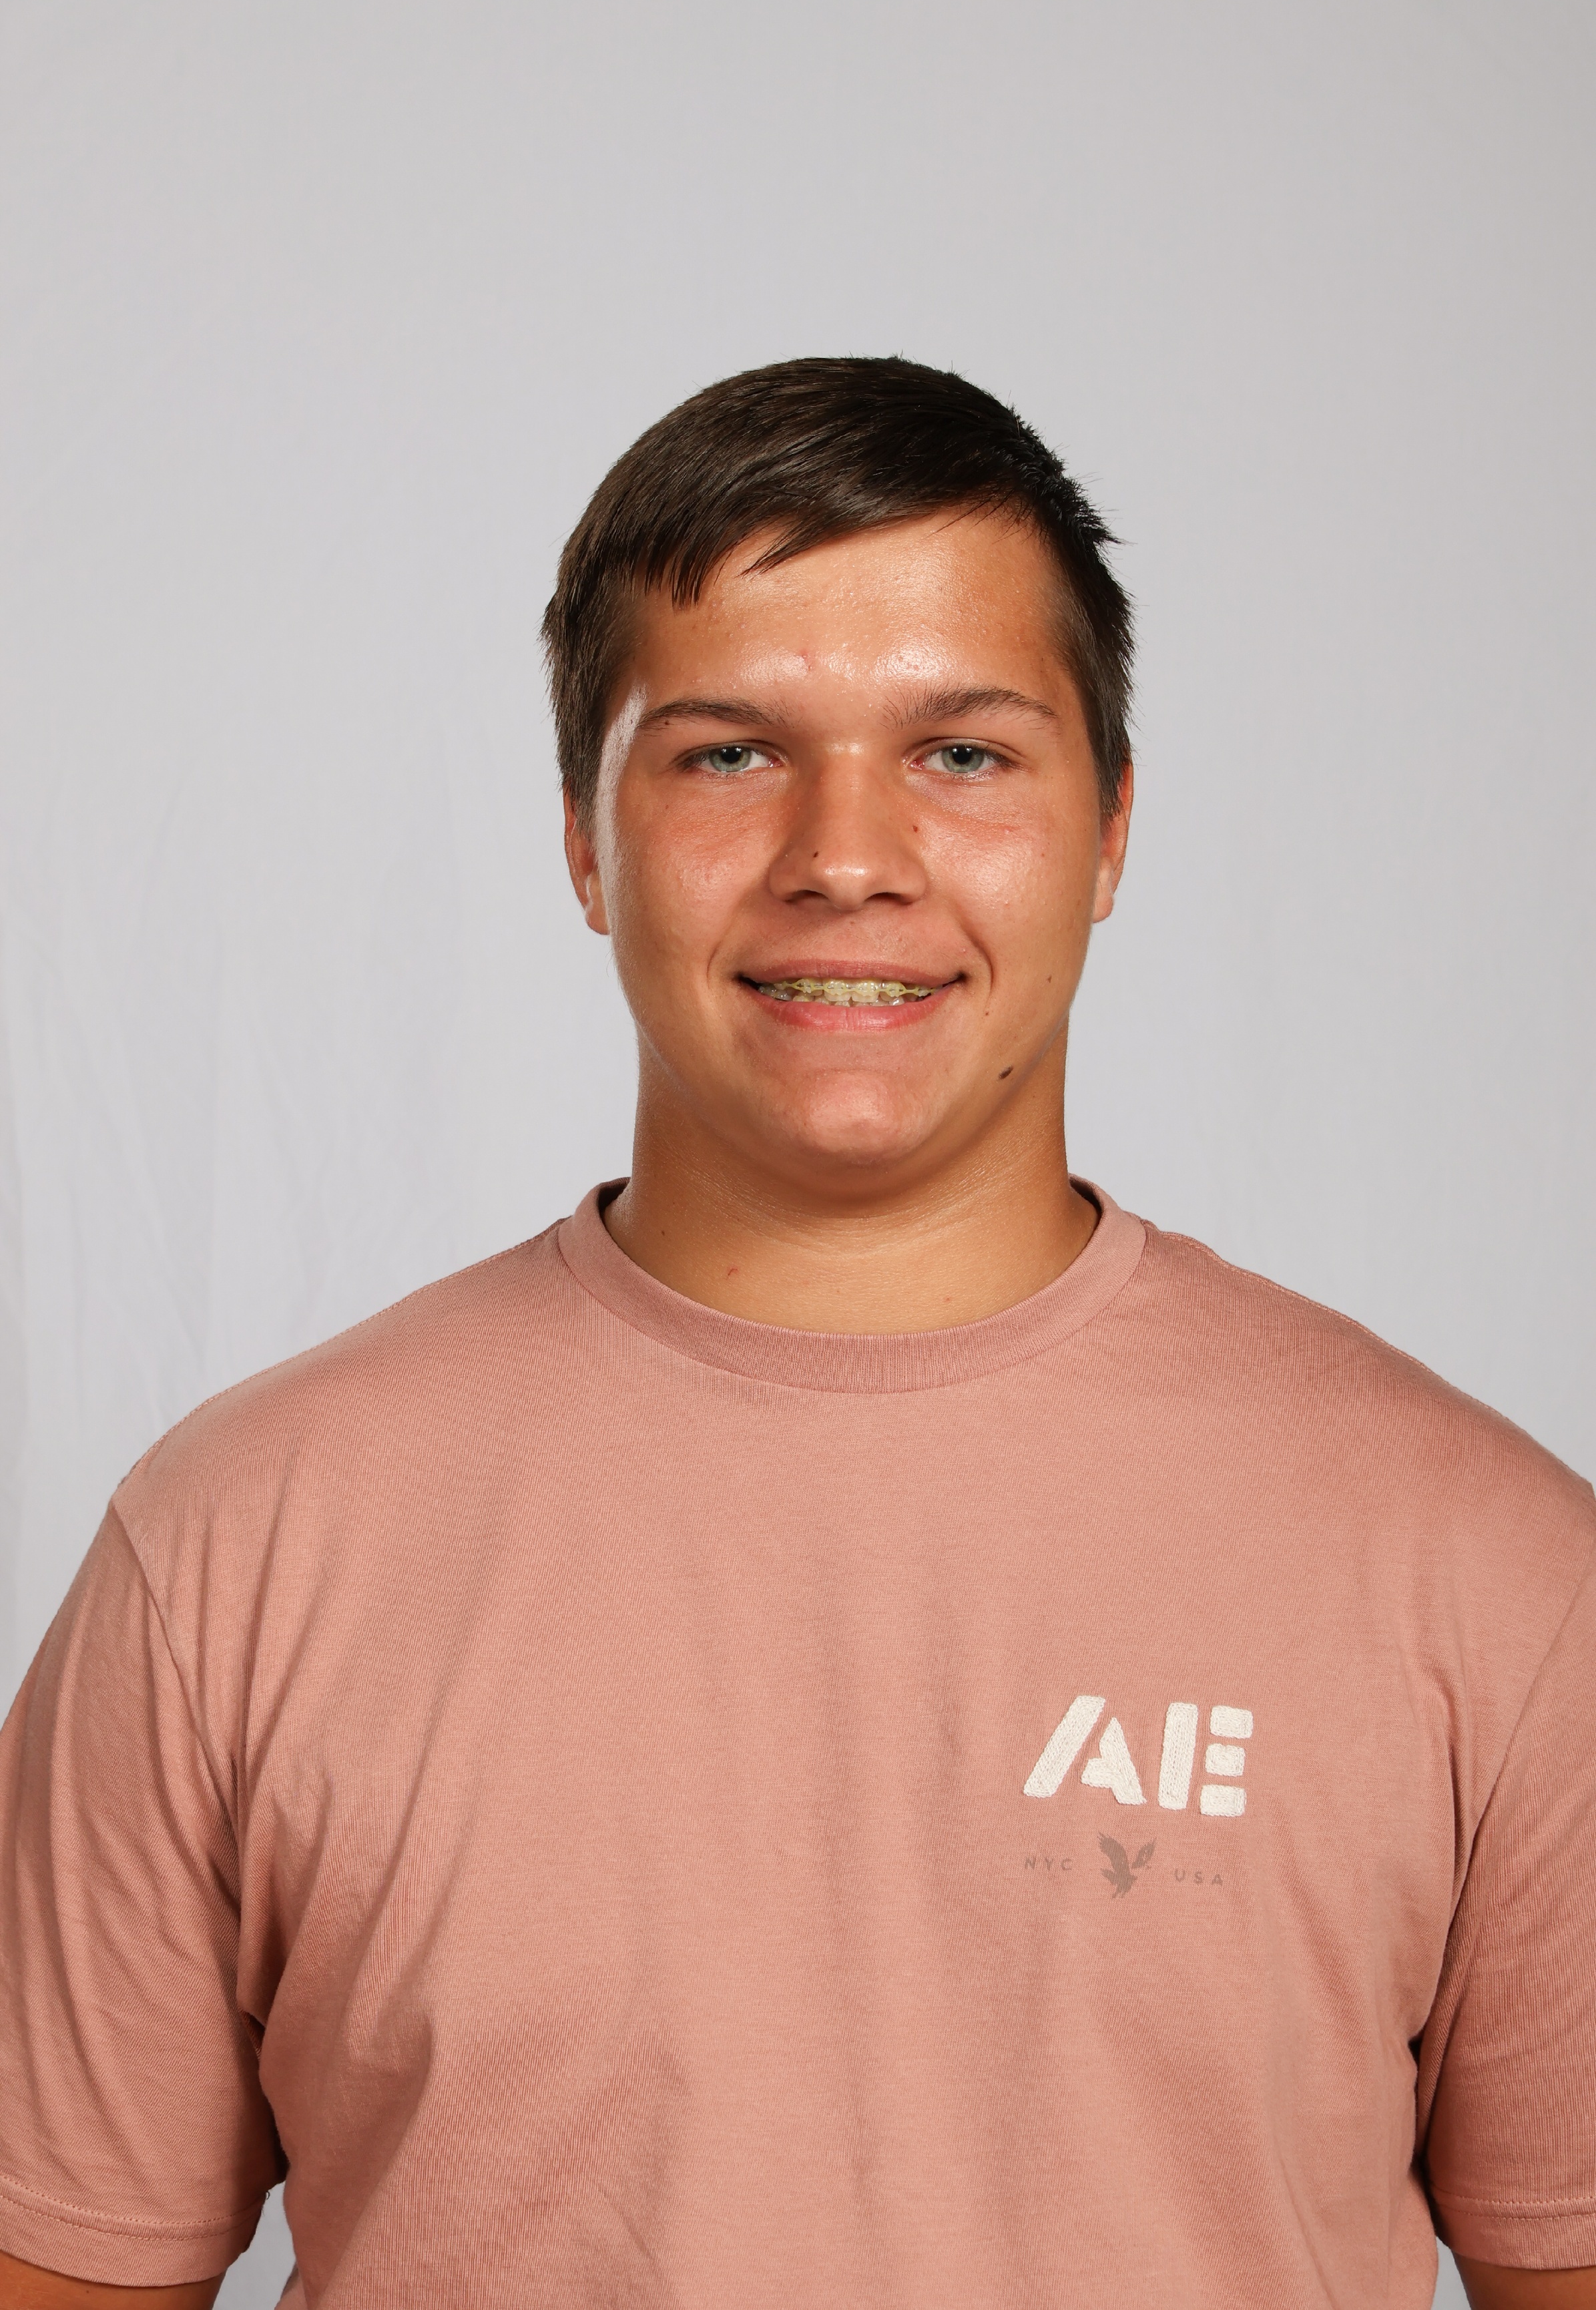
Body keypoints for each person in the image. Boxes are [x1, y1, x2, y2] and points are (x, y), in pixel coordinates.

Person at [0, 359, 1591, 2310]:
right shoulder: (237, 1551)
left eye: (965, 753)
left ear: (1110, 831)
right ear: (585, 838)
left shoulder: (1489, 1573)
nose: (848, 852)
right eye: (730, 753)